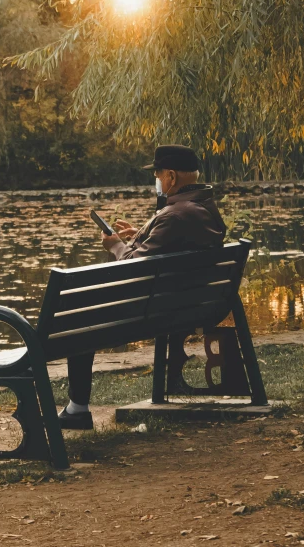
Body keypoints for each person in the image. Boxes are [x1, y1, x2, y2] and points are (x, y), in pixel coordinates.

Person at [58, 144, 227, 430]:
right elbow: (172, 245)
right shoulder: (203, 207)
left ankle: (77, 409)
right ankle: (76, 408)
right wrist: (142, 234)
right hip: (191, 305)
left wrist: (116, 245)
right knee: (83, 313)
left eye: (158, 174)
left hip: (153, 313)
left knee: (79, 318)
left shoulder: (173, 215)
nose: (157, 180)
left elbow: (134, 266)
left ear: (171, 177)